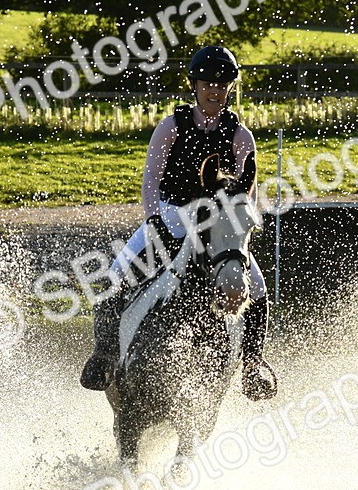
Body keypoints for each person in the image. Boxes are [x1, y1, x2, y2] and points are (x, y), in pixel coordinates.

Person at [79, 44, 278, 401]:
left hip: (218, 223)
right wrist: (154, 220)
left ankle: (253, 364)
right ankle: (105, 356)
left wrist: (235, 231)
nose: (214, 90)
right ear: (196, 85)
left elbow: (247, 194)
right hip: (172, 215)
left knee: (258, 288)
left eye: (222, 84)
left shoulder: (241, 136)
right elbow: (151, 181)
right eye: (208, 83)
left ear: (231, 87)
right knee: (116, 274)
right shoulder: (170, 127)